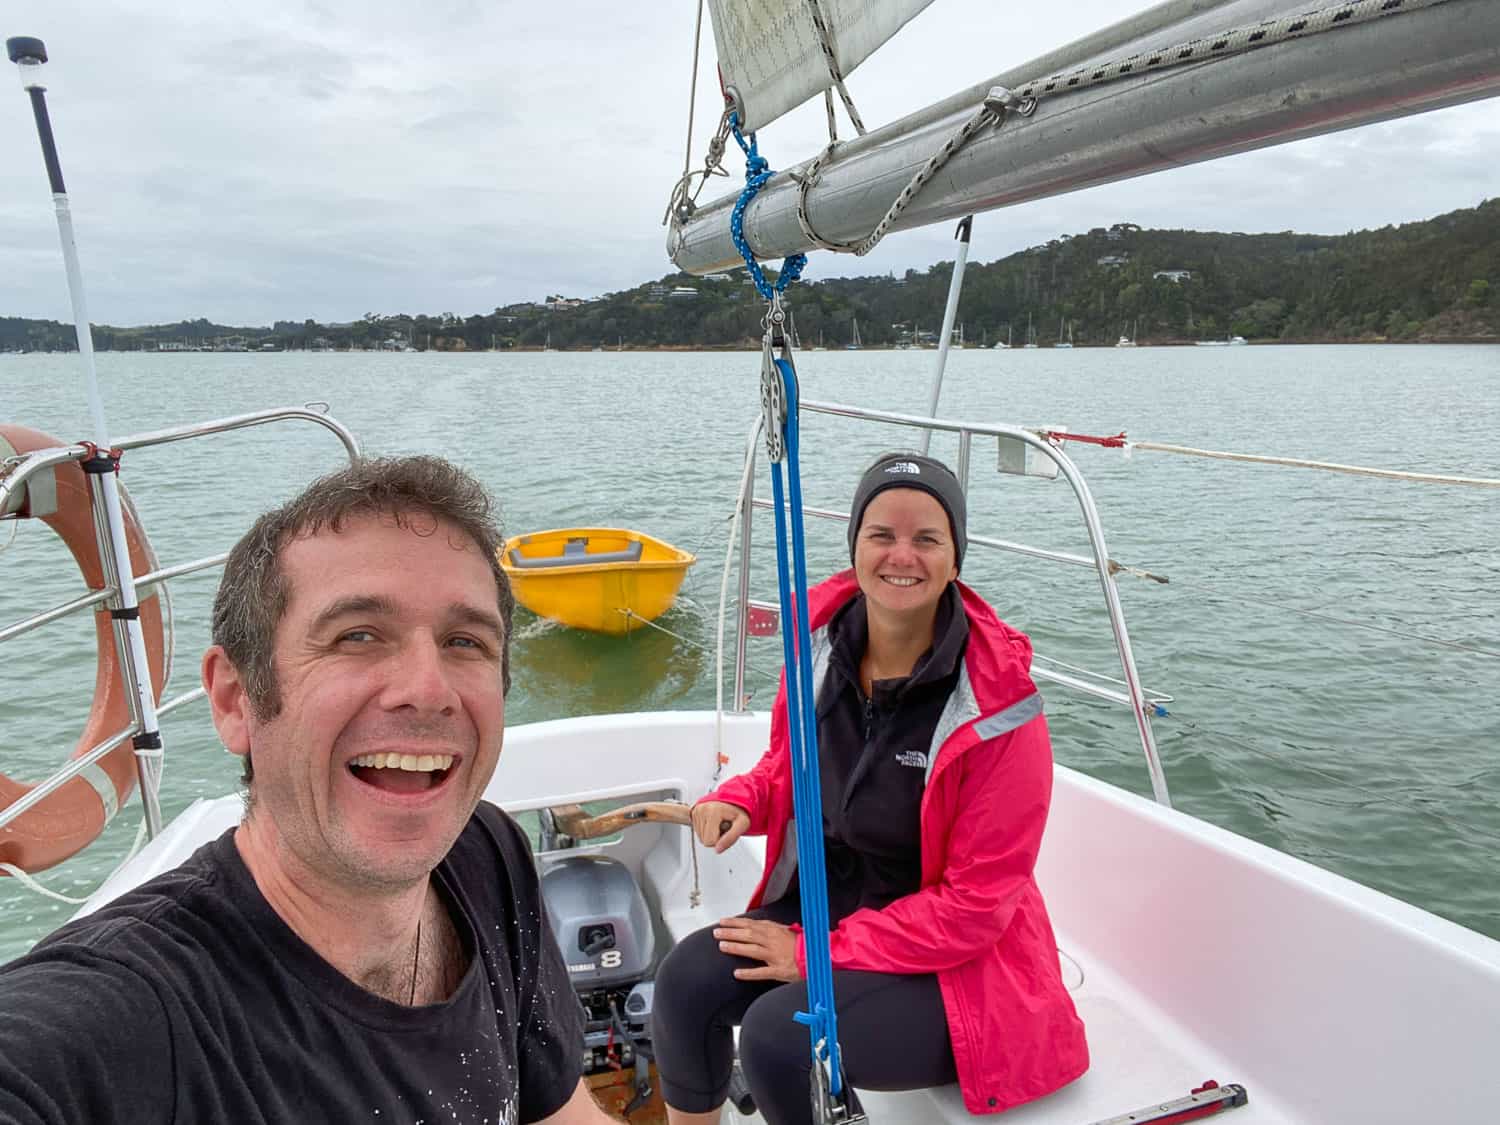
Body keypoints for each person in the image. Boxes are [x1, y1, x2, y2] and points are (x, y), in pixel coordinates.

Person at [0, 456, 617, 1125]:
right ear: (236, 700)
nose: (429, 689)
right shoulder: (131, 1017)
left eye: (464, 640)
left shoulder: (488, 854)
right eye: (357, 635)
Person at [651, 452, 1089, 1123]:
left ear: (955, 556)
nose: (901, 555)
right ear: (855, 544)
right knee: (682, 985)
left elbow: (975, 909)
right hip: (834, 914)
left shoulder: (1000, 707)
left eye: (927, 538)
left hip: (952, 970)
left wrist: (812, 954)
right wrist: (744, 796)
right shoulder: (822, 645)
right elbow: (792, 764)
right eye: (881, 534)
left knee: (782, 1037)